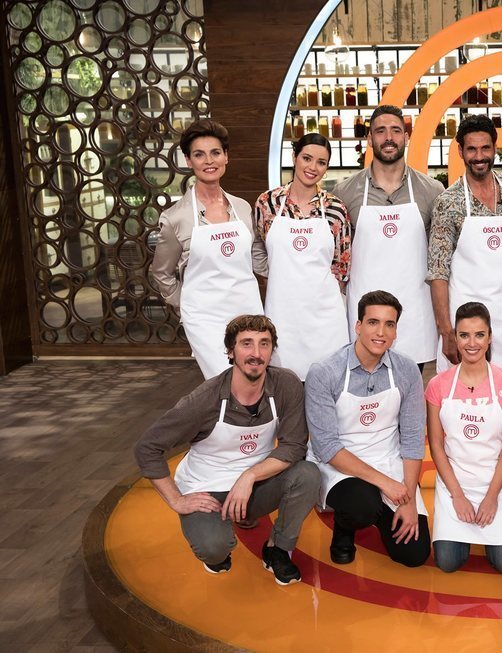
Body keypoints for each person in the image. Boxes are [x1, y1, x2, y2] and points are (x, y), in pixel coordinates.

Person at [134, 315, 319, 585]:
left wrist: (249, 476)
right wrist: (177, 500)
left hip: (256, 484)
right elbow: (147, 448)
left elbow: (293, 446)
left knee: (308, 475)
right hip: (208, 488)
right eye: (246, 344)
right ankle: (217, 551)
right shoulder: (204, 400)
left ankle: (277, 549)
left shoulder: (285, 385)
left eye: (264, 344)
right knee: (214, 548)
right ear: (230, 351)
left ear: (272, 350)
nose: (256, 353)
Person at [305, 290, 431, 567]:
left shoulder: (407, 370)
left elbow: (412, 438)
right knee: (362, 506)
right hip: (340, 465)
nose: (381, 332)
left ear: (396, 331)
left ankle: (379, 507)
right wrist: (385, 484)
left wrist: (408, 497)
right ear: (358, 326)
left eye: (389, 324)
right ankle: (344, 527)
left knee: (414, 554)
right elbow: (326, 447)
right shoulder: (325, 372)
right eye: (373, 322)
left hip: (388, 460)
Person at [150, 119, 264, 379]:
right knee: (226, 380)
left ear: (226, 157)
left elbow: (255, 258)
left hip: (248, 311)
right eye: (199, 154)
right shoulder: (176, 217)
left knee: (254, 379)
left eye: (215, 153)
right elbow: (161, 273)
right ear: (188, 161)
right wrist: (186, 305)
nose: (209, 161)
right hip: (205, 319)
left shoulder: (242, 208)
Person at [333, 106, 445, 371]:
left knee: (410, 386)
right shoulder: (345, 192)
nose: (389, 138)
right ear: (370, 139)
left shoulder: (432, 190)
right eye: (380, 131)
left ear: (406, 137)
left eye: (396, 131)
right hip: (365, 310)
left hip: (414, 313)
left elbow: (440, 259)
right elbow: (336, 257)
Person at [428, 115, 502, 373]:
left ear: (495, 148)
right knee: (467, 391)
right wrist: (446, 331)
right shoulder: (448, 202)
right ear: (460, 151)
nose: (479, 156)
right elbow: (438, 271)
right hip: (466, 321)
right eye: (471, 149)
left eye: (485, 148)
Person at [425, 302, 502, 573]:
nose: (472, 343)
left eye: (479, 335)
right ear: (455, 338)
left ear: (490, 338)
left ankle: (495, 532)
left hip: (496, 482)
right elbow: (436, 445)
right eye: (464, 335)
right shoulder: (438, 385)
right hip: (454, 482)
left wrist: (491, 497)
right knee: (447, 562)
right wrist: (457, 496)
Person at [253, 133, 350, 381]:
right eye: (307, 158)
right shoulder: (268, 203)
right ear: (294, 157)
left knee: (327, 384)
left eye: (321, 162)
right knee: (284, 384)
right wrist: (279, 275)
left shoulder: (336, 209)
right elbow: (258, 250)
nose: (312, 167)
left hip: (325, 317)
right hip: (282, 314)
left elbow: (342, 265)